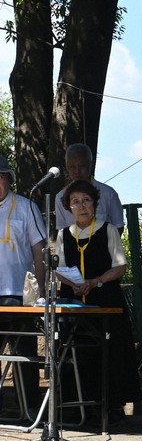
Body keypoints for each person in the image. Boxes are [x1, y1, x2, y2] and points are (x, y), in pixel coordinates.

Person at [54, 179, 140, 420]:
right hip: (74, 298)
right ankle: (75, 407)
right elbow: (59, 267)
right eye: (75, 202)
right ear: (68, 208)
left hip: (105, 297)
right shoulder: (63, 234)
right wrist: (73, 285)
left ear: (95, 204)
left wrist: (95, 281)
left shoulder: (107, 229)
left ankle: (111, 406)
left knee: (109, 350)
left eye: (86, 201)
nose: (81, 206)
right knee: (74, 350)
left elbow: (120, 266)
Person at [0, 154, 46, 411]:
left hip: (20, 294)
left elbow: (39, 250)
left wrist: (41, 292)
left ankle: (29, 411)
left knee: (25, 357)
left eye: (0, 177)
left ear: (9, 179)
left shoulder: (26, 207)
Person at [55, 143, 124, 233]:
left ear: (91, 164)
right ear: (66, 166)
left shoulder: (108, 193)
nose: (77, 171)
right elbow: (62, 230)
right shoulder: (61, 197)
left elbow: (118, 226)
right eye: (72, 167)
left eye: (82, 166)